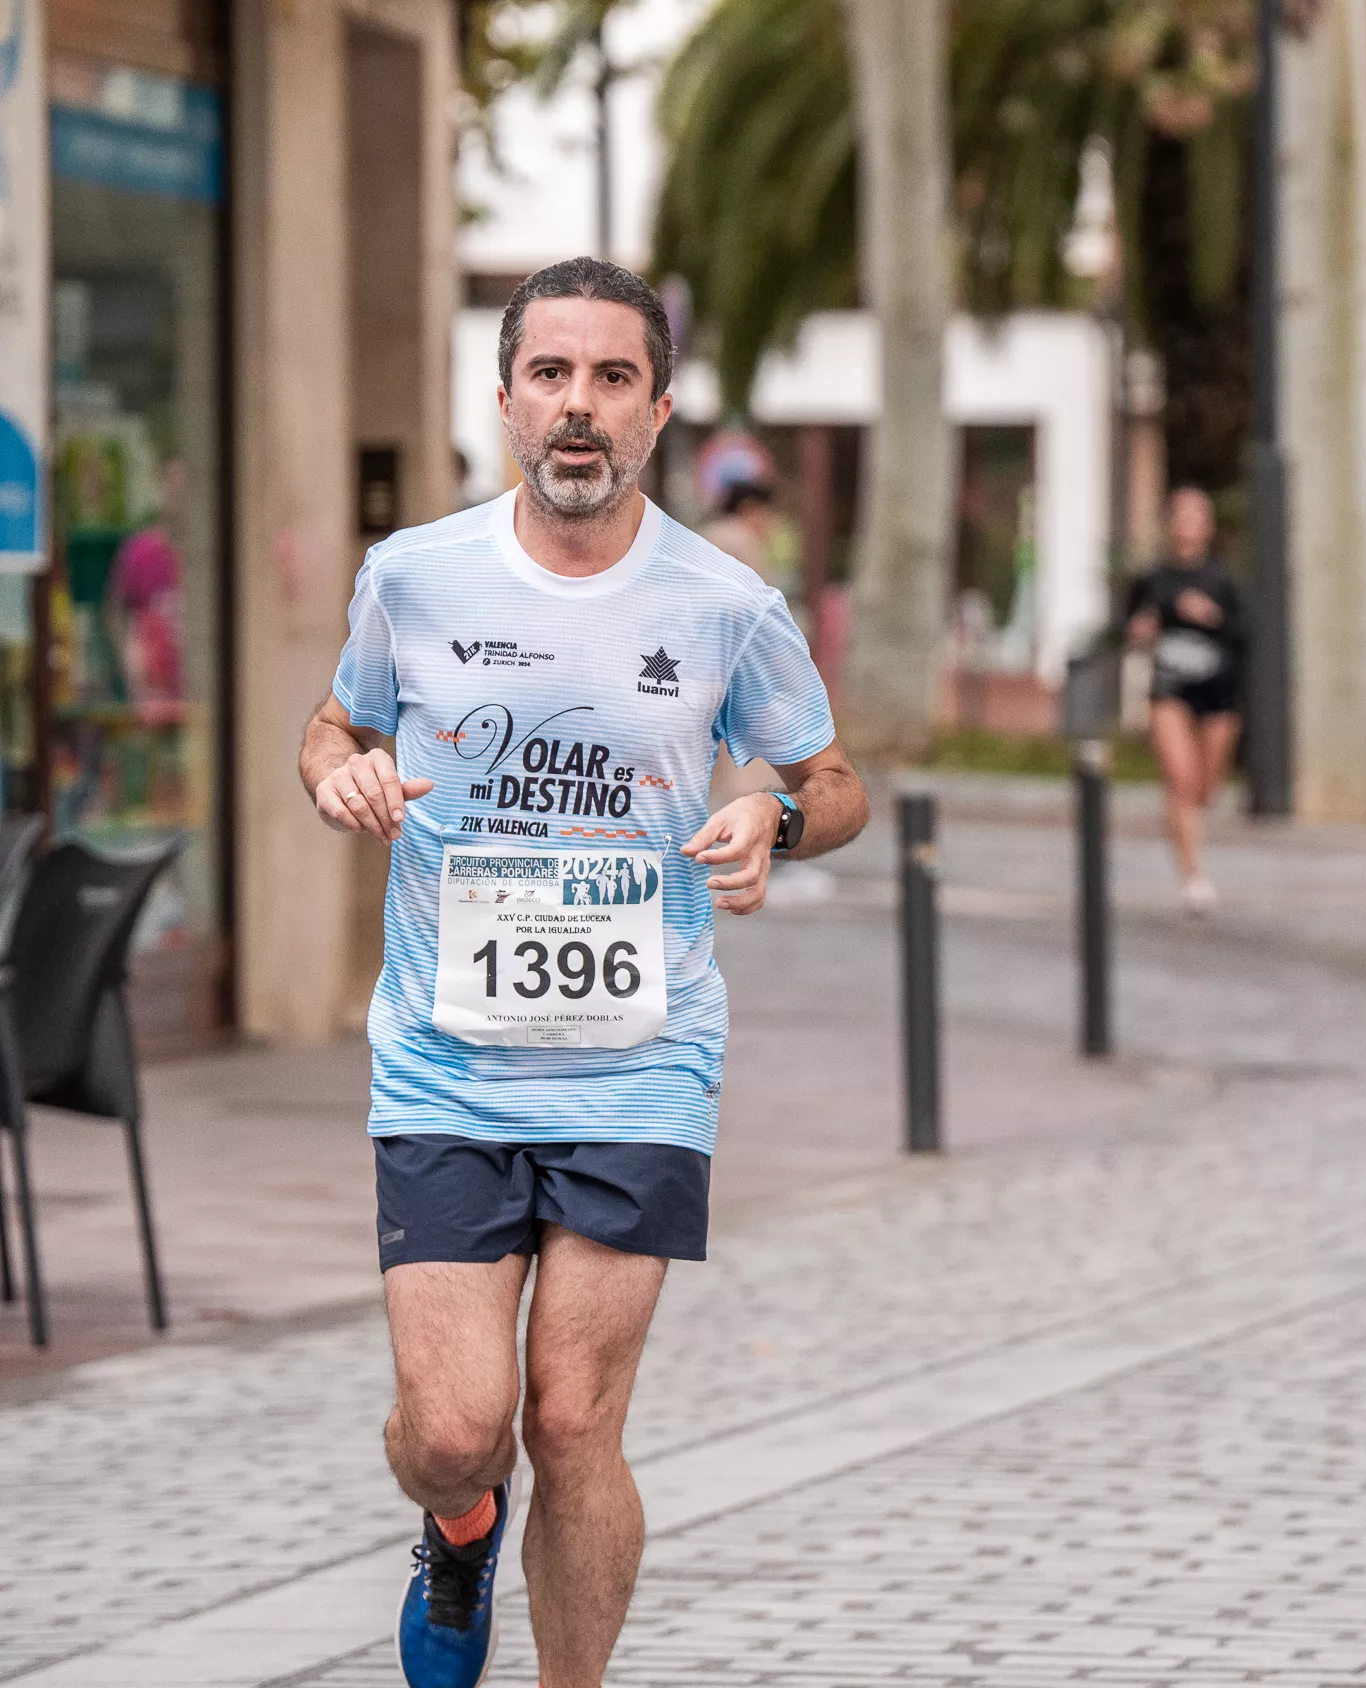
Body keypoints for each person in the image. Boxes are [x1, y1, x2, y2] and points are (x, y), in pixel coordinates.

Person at [298, 256, 869, 1688]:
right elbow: (331, 727)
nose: (579, 406)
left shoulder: (725, 603)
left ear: (659, 410)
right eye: (552, 374)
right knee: (453, 1429)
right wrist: (344, 775)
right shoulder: (414, 577)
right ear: (505, 399)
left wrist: (777, 818)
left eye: (613, 378)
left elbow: (837, 779)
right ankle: (459, 1527)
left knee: (573, 1423)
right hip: (443, 1061)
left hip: (640, 1066)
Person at [1125, 485, 1245, 916]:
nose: (1189, 525)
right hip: (1169, 688)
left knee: (1205, 790)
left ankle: (1188, 837)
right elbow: (1126, 624)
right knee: (1181, 781)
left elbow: (1246, 631)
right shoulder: (1153, 577)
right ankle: (1192, 875)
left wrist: (1212, 617)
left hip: (1217, 690)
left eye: (1198, 516)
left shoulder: (1223, 578)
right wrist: (1139, 630)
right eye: (1182, 515)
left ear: (1208, 526)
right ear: (1169, 523)